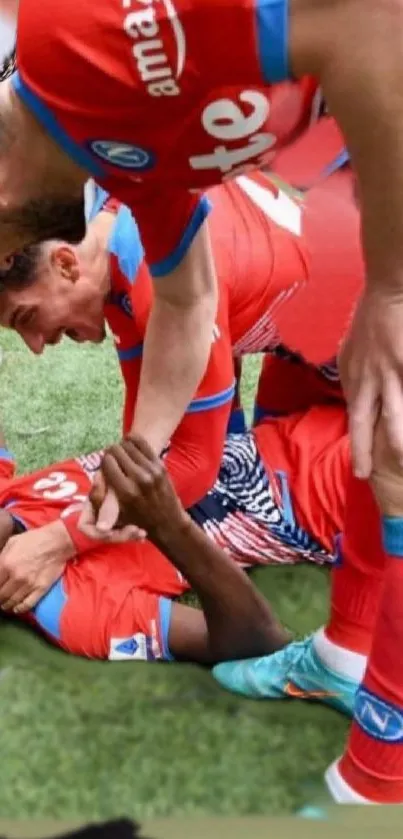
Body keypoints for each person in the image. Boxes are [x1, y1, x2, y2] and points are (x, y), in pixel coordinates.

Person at [1, 1, 403, 538]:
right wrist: (134, 468)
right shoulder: (122, 165)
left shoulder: (68, 40)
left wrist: (390, 286)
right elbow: (187, 302)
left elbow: (365, 16)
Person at [0, 154, 363, 568]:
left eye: (27, 318)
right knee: (215, 472)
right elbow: (143, 443)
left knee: (242, 499)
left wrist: (61, 542)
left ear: (65, 265)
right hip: (319, 345)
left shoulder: (152, 283)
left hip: (370, 359)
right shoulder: (117, 228)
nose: (36, 345)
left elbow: (195, 463)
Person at [0, 427, 288, 663]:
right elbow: (258, 642)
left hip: (285, 425)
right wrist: (169, 525)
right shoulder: (68, 607)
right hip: (305, 501)